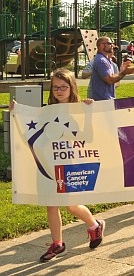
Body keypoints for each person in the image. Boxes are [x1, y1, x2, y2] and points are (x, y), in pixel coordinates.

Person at [11, 69, 105, 262]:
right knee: (51, 203)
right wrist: (17, 112)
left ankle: (95, 225)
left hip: (67, 164)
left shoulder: (77, 109)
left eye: (64, 87)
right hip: (47, 164)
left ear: (72, 87)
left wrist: (87, 112)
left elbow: (87, 137)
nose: (60, 91)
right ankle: (58, 244)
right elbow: (34, 133)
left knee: (71, 205)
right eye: (56, 87)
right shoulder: (47, 111)